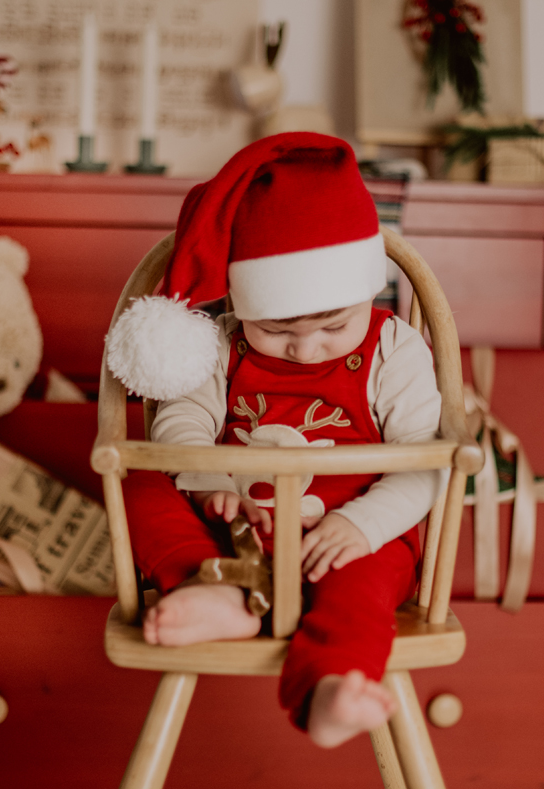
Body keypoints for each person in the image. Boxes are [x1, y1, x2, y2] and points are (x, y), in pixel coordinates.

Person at [105, 132, 444, 748]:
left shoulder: (394, 349)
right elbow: (179, 427)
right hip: (231, 528)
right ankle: (216, 589)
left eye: (335, 326)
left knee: (362, 593)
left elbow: (427, 461)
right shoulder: (219, 346)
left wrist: (364, 525)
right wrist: (208, 487)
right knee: (135, 477)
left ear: (369, 292)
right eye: (278, 329)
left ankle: (330, 687)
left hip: (347, 534)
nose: (307, 347)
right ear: (240, 301)